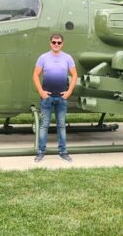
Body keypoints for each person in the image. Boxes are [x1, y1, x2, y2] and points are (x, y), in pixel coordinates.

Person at [32, 33, 77, 162]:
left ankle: (63, 152)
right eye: (54, 42)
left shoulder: (68, 58)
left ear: (62, 44)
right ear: (50, 43)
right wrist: (41, 91)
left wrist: (69, 91)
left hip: (62, 98)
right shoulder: (43, 57)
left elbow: (74, 75)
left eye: (58, 42)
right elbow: (35, 75)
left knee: (61, 125)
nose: (56, 44)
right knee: (44, 126)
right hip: (47, 98)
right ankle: (41, 152)